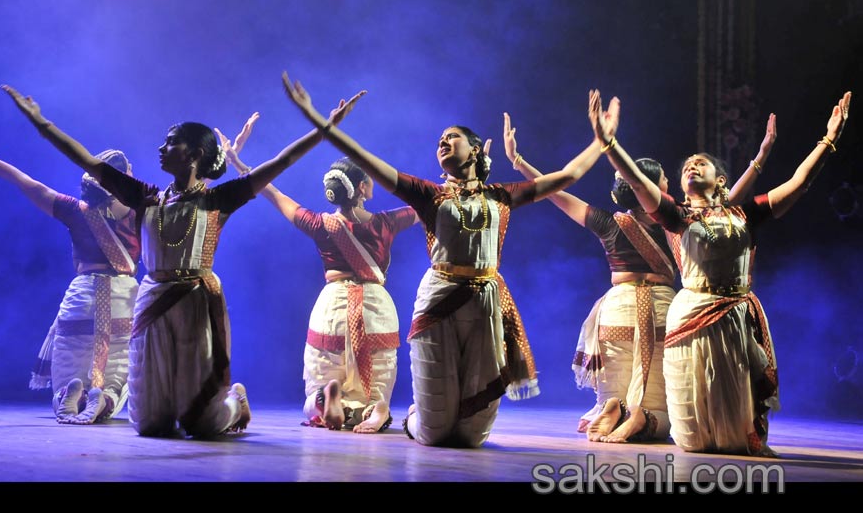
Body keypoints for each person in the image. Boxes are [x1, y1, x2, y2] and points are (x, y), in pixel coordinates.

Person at [2, 83, 364, 438]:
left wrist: (324, 127)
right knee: (149, 425)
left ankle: (234, 400)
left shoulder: (218, 200)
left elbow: (280, 162)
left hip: (194, 302)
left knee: (202, 426)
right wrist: (41, 123)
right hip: (151, 301)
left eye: (171, 141)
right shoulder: (145, 196)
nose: (162, 147)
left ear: (193, 155)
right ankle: (184, 405)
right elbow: (86, 159)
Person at [284, 75, 611, 447]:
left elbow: (566, 176)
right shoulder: (428, 195)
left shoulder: (501, 196)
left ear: (474, 151)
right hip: (438, 303)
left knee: (472, 435)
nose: (442, 141)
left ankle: (403, 412)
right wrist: (320, 122)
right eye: (439, 139)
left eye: (452, 137)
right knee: (435, 431)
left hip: (486, 303)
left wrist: (602, 143)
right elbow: (368, 162)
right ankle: (410, 417)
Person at [594, 90, 850, 455]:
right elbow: (637, 182)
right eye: (686, 167)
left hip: (733, 319)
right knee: (694, 439)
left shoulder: (745, 214)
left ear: (721, 180)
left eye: (700, 163)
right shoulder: (678, 217)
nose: (691, 167)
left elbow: (798, 184)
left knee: (734, 434)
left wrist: (828, 140)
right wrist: (610, 145)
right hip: (690, 314)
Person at [506, 112, 776, 443]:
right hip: (663, 310)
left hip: (616, 311)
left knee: (613, 391)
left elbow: (555, 194)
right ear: (651, 186)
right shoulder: (677, 218)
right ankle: (640, 418)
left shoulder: (607, 222)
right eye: (663, 179)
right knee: (665, 411)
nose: (667, 183)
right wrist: (759, 162)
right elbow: (727, 203)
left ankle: (611, 407)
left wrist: (520, 163)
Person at [0, 111, 139, 424]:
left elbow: (24, 181)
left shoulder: (76, 210)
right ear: (124, 178)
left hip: (83, 300)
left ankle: (67, 394)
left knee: (67, 370)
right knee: (116, 378)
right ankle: (103, 399)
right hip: (123, 302)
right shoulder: (142, 210)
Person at [223, 141, 418, 433]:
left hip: (333, 305)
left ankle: (324, 398)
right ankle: (376, 407)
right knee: (376, 376)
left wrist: (241, 167)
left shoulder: (318, 224)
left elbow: (275, 195)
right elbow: (426, 205)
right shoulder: (386, 223)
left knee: (321, 376)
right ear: (363, 189)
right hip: (375, 308)